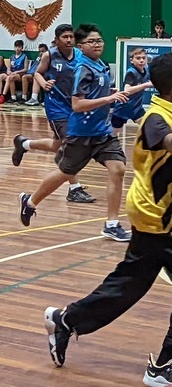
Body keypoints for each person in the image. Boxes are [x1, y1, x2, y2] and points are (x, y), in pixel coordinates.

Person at [43, 52, 172, 387]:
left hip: (155, 212)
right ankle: (163, 365)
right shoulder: (156, 119)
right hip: (157, 216)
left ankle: (66, 320)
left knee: (128, 286)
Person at [18, 23, 132, 241]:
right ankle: (30, 201)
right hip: (81, 132)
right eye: (92, 41)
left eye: (99, 40)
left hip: (102, 132)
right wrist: (109, 98)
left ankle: (112, 224)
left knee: (117, 169)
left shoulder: (102, 66)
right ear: (82, 46)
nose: (97, 44)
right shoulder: (83, 69)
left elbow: (101, 94)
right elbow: (78, 104)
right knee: (64, 172)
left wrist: (119, 93)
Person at [12, 24, 95, 204]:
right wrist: (44, 83)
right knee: (69, 144)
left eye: (71, 36)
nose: (69, 40)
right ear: (57, 40)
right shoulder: (49, 55)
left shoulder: (80, 55)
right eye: (65, 37)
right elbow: (38, 74)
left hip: (73, 105)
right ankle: (74, 189)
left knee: (58, 144)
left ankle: (24, 144)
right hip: (56, 107)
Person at [111, 47, 152, 135]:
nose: (141, 60)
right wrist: (145, 85)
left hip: (136, 109)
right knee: (112, 136)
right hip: (123, 108)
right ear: (131, 60)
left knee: (149, 128)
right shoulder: (131, 73)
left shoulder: (146, 71)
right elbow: (127, 90)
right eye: (138, 58)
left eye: (143, 58)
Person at [0, 40, 29, 104]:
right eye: (16, 47)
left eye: (19, 47)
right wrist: (8, 70)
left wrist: (16, 72)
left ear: (22, 48)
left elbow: (25, 69)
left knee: (10, 77)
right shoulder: (12, 57)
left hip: (20, 74)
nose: (17, 48)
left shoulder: (24, 56)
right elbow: (9, 67)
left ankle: (5, 96)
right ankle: (3, 95)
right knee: (1, 76)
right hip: (12, 73)